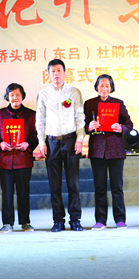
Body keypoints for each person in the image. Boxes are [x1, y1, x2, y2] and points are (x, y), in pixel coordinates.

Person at [36, 59, 86, 232]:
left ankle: (75, 220)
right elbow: (40, 120)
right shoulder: (43, 94)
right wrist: (41, 142)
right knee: (54, 185)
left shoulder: (74, 92)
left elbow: (80, 116)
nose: (56, 74)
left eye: (59, 70)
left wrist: (80, 138)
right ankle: (58, 220)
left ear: (65, 72)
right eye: (53, 71)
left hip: (71, 141)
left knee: (73, 183)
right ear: (48, 74)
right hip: (51, 142)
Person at [84, 74, 134, 230]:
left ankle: (120, 219)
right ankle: (100, 220)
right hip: (97, 150)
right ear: (96, 87)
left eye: (107, 86)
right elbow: (82, 125)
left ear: (111, 88)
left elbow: (129, 124)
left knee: (117, 187)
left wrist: (121, 128)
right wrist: (88, 127)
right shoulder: (89, 104)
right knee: (99, 187)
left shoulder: (118, 103)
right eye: (101, 86)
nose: (104, 89)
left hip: (115, 149)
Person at [0, 83, 39, 233]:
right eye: (12, 95)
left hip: (23, 159)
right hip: (5, 160)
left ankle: (25, 222)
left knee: (23, 192)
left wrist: (28, 144)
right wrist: (0, 143)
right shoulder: (0, 114)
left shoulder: (31, 115)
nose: (15, 98)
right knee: (7, 193)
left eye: (18, 95)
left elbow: (36, 135)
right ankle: (7, 223)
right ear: (7, 97)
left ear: (22, 96)